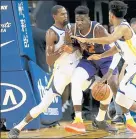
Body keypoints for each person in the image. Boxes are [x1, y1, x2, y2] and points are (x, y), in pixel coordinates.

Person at [72, 1, 136, 136]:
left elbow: (108, 40)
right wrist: (100, 55)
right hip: (132, 68)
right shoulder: (118, 29)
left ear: (111, 14)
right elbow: (116, 49)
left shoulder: (123, 27)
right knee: (119, 99)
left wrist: (88, 40)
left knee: (129, 91)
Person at [65, 6, 136, 134]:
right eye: (77, 20)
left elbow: (115, 45)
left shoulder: (98, 29)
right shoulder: (72, 29)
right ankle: (78, 120)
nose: (79, 23)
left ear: (88, 19)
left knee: (112, 86)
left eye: (82, 20)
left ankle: (127, 119)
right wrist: (72, 48)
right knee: (75, 78)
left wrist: (112, 67)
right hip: (89, 59)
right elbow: (73, 45)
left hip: (106, 58)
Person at [8, 5, 82, 138]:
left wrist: (77, 48)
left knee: (95, 85)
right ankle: (17, 128)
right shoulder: (51, 33)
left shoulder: (73, 29)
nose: (65, 16)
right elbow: (49, 61)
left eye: (66, 14)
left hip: (77, 67)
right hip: (62, 71)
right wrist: (62, 49)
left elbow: (80, 47)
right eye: (62, 14)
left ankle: (81, 120)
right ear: (54, 16)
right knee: (43, 105)